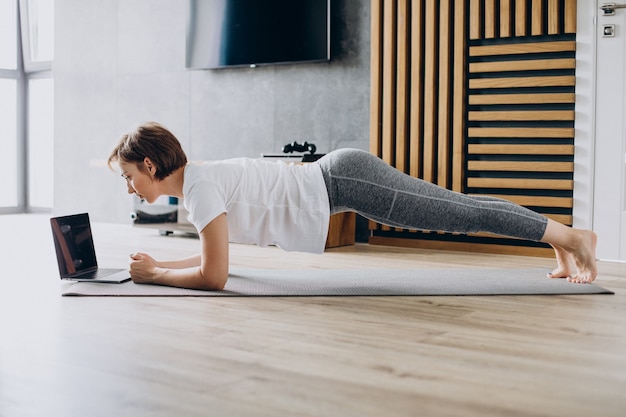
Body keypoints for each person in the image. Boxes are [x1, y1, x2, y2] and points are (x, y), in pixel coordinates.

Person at [107, 122, 598, 291]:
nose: (129, 189)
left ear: (149, 165)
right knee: (458, 208)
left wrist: (158, 277)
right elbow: (218, 263)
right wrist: (160, 265)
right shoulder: (201, 184)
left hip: (344, 179)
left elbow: (213, 278)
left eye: (128, 176)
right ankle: (559, 242)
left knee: (457, 213)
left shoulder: (200, 188)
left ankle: (574, 237)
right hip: (339, 182)